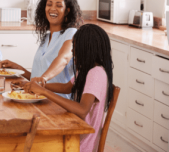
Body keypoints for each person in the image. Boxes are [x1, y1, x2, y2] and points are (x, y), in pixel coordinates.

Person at [21, 24, 114, 152]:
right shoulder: (86, 70)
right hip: (75, 133)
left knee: (31, 143)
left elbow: (82, 110)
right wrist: (40, 85)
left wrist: (43, 91)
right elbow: (66, 87)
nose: (73, 52)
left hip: (80, 144)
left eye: (75, 48)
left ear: (87, 50)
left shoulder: (96, 73)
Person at [0, 0, 82, 98]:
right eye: (49, 4)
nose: (53, 8)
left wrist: (44, 78)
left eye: (58, 5)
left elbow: (64, 58)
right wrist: (18, 68)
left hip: (57, 102)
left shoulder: (71, 33)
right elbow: (37, 79)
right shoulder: (46, 38)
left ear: (67, 11)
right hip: (37, 98)